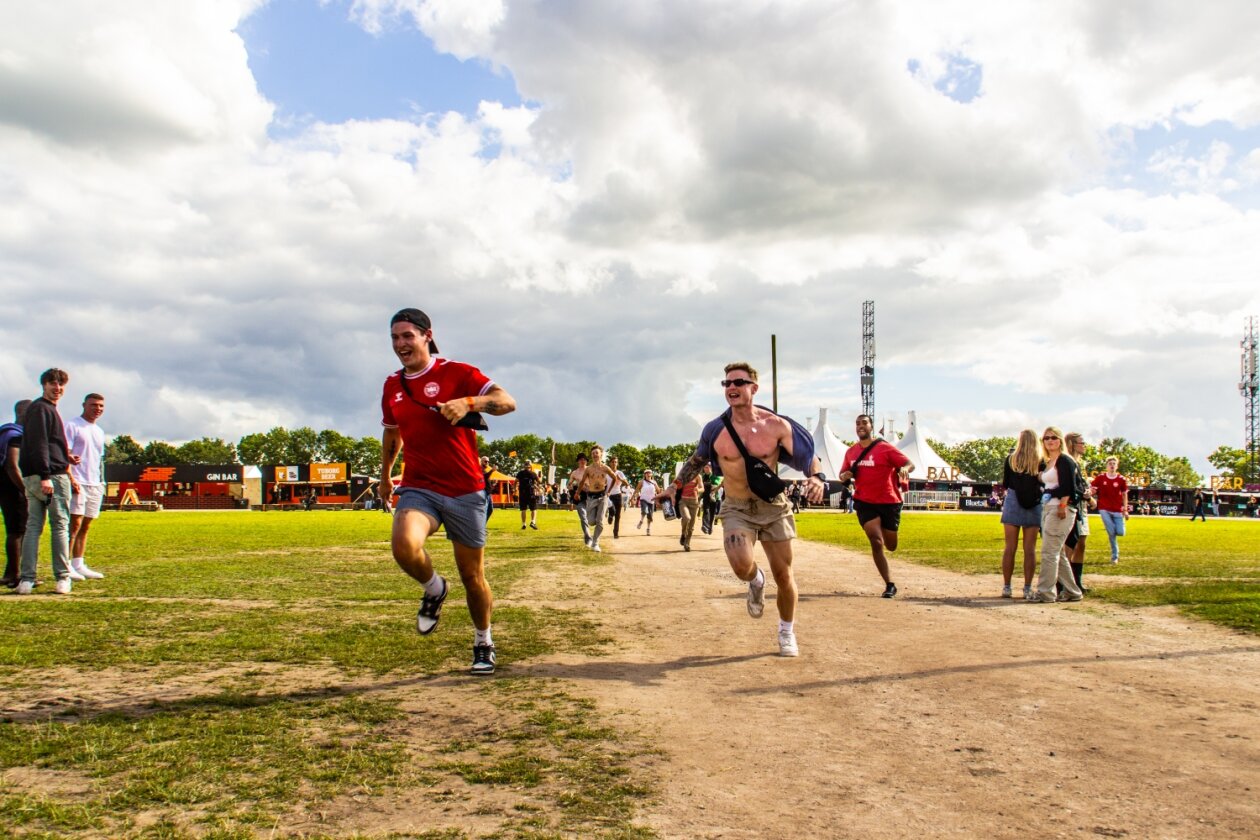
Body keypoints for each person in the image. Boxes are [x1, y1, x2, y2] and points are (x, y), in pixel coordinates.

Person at [380, 308, 516, 675]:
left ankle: (483, 640)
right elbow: (392, 433)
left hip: (465, 489)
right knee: (404, 545)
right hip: (419, 487)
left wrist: (470, 402)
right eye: (394, 337)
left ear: (427, 335)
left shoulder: (457, 373)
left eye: (407, 336)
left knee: (473, 577)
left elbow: (507, 401)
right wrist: (384, 476)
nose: (400, 344)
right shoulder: (392, 385)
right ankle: (434, 588)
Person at [659, 362, 823, 657]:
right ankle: (755, 580)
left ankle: (786, 631)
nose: (731, 388)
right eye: (726, 384)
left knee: (784, 575)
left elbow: (807, 456)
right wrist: (674, 486)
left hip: (773, 507)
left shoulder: (776, 426)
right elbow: (696, 461)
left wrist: (816, 478)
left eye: (738, 382)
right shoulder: (716, 429)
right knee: (740, 566)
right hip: (736, 507)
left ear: (753, 388)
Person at [837, 414, 914, 599]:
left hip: (889, 501)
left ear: (871, 426)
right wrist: (845, 476)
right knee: (875, 540)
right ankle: (889, 584)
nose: (860, 426)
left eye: (864, 423)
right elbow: (841, 475)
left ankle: (889, 551)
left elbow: (909, 463)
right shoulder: (851, 452)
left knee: (891, 545)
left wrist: (904, 469)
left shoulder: (885, 448)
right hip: (865, 502)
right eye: (857, 423)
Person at [17, 369, 78, 595]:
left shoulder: (40, 409)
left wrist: (65, 454)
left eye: (61, 384)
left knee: (33, 527)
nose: (58, 388)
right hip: (50, 476)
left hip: (35, 475)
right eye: (53, 383)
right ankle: (62, 576)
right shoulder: (43, 409)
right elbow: (39, 443)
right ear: (44, 385)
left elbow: (45, 443)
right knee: (60, 525)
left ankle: (27, 579)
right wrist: (46, 475)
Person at [1030, 427, 1084, 604]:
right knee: (1057, 554)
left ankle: (1045, 592)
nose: (1050, 441)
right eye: (1046, 438)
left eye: (1053, 437)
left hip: (1061, 509)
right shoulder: (1050, 462)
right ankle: (1072, 591)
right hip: (1049, 508)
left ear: (1060, 440)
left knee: (1049, 553)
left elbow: (1068, 486)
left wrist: (1062, 504)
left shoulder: (1065, 460)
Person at [65, 393, 107, 580]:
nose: (97, 408)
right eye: (94, 405)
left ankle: (78, 563)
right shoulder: (72, 426)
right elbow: (64, 452)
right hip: (78, 481)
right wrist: (71, 478)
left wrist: (101, 482)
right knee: (74, 524)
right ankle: (65, 566)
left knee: (86, 525)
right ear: (84, 405)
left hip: (94, 483)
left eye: (100, 406)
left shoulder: (99, 430)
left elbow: (99, 459)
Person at [998, 429, 1044, 600]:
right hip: (1034, 503)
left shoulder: (1011, 459)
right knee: (1029, 549)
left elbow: (1006, 483)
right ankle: (1027, 588)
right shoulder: (1040, 461)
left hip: (1013, 500)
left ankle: (1007, 586)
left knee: (1010, 547)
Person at [1, 400, 32, 588]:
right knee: (17, 532)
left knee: (16, 530)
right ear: (23, 413)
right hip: (13, 489)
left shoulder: (5, 432)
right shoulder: (16, 436)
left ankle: (9, 573)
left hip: (5, 487)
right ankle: (15, 575)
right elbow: (13, 466)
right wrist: (26, 490)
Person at [568, 446, 618, 552]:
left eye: (597, 453)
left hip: (603, 496)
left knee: (600, 522)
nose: (595, 454)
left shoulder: (605, 468)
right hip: (591, 497)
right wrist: (577, 493)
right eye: (593, 453)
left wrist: (608, 491)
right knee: (591, 521)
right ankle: (608, 509)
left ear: (601, 454)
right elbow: (581, 482)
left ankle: (595, 543)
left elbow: (614, 478)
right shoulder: (588, 469)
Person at [1060, 432, 1091, 593]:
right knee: (1070, 544)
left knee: (1081, 544)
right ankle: (1063, 583)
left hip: (1082, 506)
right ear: (1071, 444)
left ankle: (1077, 581)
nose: (1084, 445)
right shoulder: (1066, 461)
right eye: (1081, 442)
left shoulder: (1079, 463)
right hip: (1072, 506)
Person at [1092, 456, 1129, 564]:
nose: (1112, 465)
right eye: (1110, 463)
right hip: (1104, 508)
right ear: (1107, 466)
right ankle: (1115, 556)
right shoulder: (1101, 478)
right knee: (1111, 533)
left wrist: (1125, 510)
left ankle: (1117, 527)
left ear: (1117, 466)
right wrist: (1091, 492)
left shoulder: (1121, 479)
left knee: (1120, 532)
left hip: (1117, 509)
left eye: (1114, 463)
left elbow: (1124, 495)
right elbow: (1093, 488)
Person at [603, 456, 629, 538]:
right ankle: (610, 515)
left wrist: (620, 479)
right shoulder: (607, 473)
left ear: (617, 463)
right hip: (609, 495)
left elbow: (627, 484)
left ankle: (615, 533)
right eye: (612, 462)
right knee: (613, 511)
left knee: (618, 515)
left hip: (618, 495)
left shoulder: (620, 473)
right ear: (610, 463)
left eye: (615, 462)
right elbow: (603, 483)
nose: (614, 463)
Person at [569, 454, 591, 543]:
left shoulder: (590, 469)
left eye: (584, 460)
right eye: (581, 460)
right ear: (578, 461)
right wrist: (572, 486)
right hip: (579, 496)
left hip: (591, 495)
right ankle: (587, 536)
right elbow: (569, 485)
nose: (582, 461)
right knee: (583, 516)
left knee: (592, 518)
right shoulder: (574, 473)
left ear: (586, 461)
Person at [677, 472, 702, 551]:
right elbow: (676, 486)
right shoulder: (683, 475)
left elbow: (702, 488)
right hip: (683, 501)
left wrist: (698, 489)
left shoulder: (698, 476)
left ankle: (687, 544)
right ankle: (683, 533)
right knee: (687, 518)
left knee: (691, 526)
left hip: (694, 502)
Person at [633, 469, 659, 535]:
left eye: (649, 473)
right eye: (646, 473)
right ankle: (641, 521)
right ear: (644, 475)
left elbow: (658, 490)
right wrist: (634, 496)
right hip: (643, 499)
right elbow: (637, 489)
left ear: (651, 474)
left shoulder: (654, 482)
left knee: (650, 517)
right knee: (644, 511)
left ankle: (648, 529)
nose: (648, 474)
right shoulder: (642, 482)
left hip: (651, 501)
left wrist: (660, 492)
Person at [515, 463, 540, 530]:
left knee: (523, 509)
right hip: (531, 493)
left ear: (524, 467)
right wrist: (537, 486)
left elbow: (516, 481)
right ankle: (533, 522)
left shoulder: (520, 473)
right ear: (530, 467)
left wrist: (515, 488)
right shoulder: (533, 473)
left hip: (522, 493)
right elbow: (539, 481)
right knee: (534, 509)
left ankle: (524, 524)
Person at [700, 463, 722, 535]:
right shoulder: (703, 476)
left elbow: (718, 483)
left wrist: (711, 485)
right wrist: (700, 497)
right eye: (704, 467)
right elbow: (701, 487)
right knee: (706, 510)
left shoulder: (715, 475)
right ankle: (705, 526)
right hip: (706, 496)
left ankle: (710, 527)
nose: (705, 469)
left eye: (707, 467)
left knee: (712, 513)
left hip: (714, 497)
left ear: (711, 468)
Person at [480, 456, 496, 521]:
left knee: (490, 510)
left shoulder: (485, 470)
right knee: (485, 510)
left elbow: (486, 481)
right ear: (481, 462)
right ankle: (481, 526)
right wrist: (492, 470)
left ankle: (482, 526)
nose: (487, 463)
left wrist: (492, 484)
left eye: (488, 461)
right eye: (485, 461)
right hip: (484, 493)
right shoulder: (480, 469)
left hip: (488, 493)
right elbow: (484, 477)